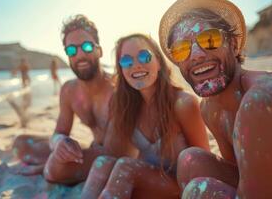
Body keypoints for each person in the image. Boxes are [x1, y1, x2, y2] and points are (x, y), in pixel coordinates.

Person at [158, 0, 272, 198]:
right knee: (190, 161)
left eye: (209, 40)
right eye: (181, 49)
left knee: (198, 192)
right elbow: (240, 173)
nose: (195, 55)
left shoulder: (263, 99)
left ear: (235, 45)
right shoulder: (210, 109)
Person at [81, 33, 210, 199]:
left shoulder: (183, 103)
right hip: (147, 181)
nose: (136, 65)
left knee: (125, 168)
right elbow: (112, 152)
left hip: (180, 187)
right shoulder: (126, 106)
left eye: (144, 56)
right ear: (121, 69)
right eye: (126, 61)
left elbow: (204, 165)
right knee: (103, 164)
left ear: (158, 62)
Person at [12, 14, 114, 185]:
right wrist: (60, 143)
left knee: (54, 170)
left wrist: (56, 161)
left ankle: (50, 166)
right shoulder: (69, 90)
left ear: (99, 50)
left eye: (87, 46)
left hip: (114, 154)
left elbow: (119, 149)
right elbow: (59, 132)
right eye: (72, 50)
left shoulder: (117, 88)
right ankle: (53, 164)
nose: (80, 54)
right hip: (91, 150)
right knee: (20, 144)